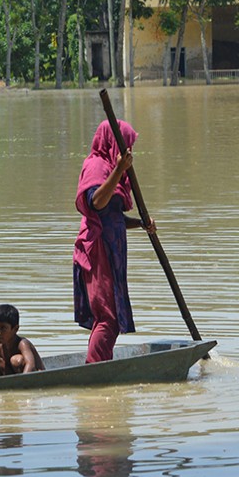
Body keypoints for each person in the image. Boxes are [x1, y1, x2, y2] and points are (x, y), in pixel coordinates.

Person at [73, 120, 156, 363]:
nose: (128, 152)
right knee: (108, 317)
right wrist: (119, 170)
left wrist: (141, 224)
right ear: (112, 142)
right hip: (98, 248)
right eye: (125, 146)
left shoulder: (111, 168)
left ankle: (98, 363)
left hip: (113, 249)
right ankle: (96, 368)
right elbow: (96, 204)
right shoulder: (97, 165)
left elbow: (113, 217)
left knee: (109, 316)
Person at [0, 304, 45, 377]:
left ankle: (21, 382)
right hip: (13, 377)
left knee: (16, 360)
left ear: (15, 329)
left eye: (3, 328)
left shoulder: (22, 344)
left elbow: (31, 365)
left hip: (33, 377)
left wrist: (21, 381)